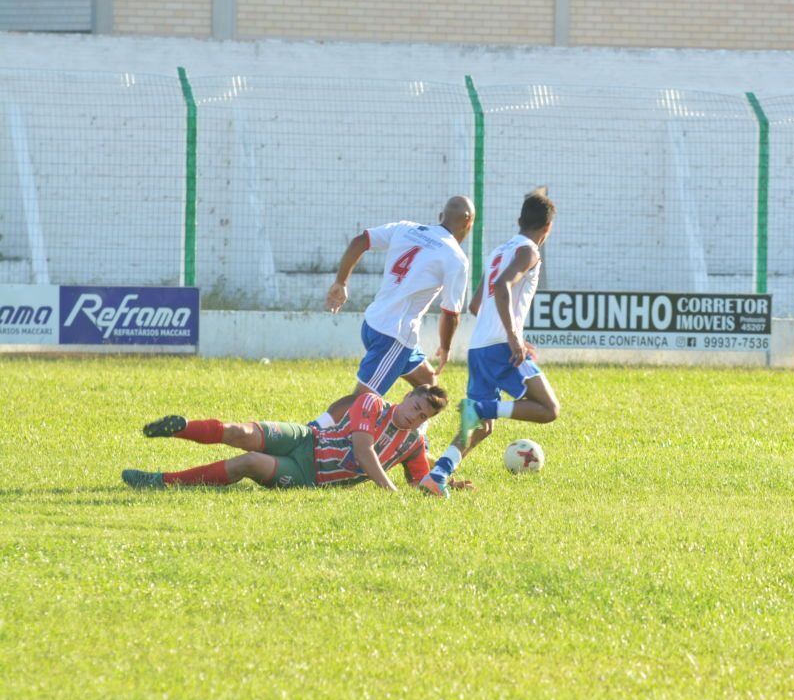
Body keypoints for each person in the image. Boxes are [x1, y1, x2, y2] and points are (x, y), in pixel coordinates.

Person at [419, 191, 560, 498]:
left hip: (479, 347)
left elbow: (476, 305)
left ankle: (437, 474)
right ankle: (481, 406)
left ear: (519, 220)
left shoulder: (499, 251)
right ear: (547, 229)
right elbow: (502, 286)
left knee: (481, 426)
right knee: (548, 409)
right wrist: (512, 337)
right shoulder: (529, 252)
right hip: (500, 347)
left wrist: (512, 333)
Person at [121, 385, 473, 492]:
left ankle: (162, 482)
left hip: (310, 474)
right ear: (408, 396)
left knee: (249, 463)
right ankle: (180, 426)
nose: (415, 416)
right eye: (415, 406)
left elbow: (419, 481)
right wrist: (389, 491)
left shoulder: (412, 444)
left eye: (423, 416)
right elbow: (364, 451)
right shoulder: (372, 403)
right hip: (307, 438)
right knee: (240, 432)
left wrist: (447, 483)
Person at [315, 195, 474, 428]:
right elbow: (451, 312)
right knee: (363, 400)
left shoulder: (406, 229)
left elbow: (361, 240)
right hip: (395, 336)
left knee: (428, 384)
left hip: (373, 324)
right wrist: (446, 347)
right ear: (468, 223)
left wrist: (341, 281)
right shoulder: (456, 258)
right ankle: (312, 432)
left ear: (440, 217)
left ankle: (418, 447)